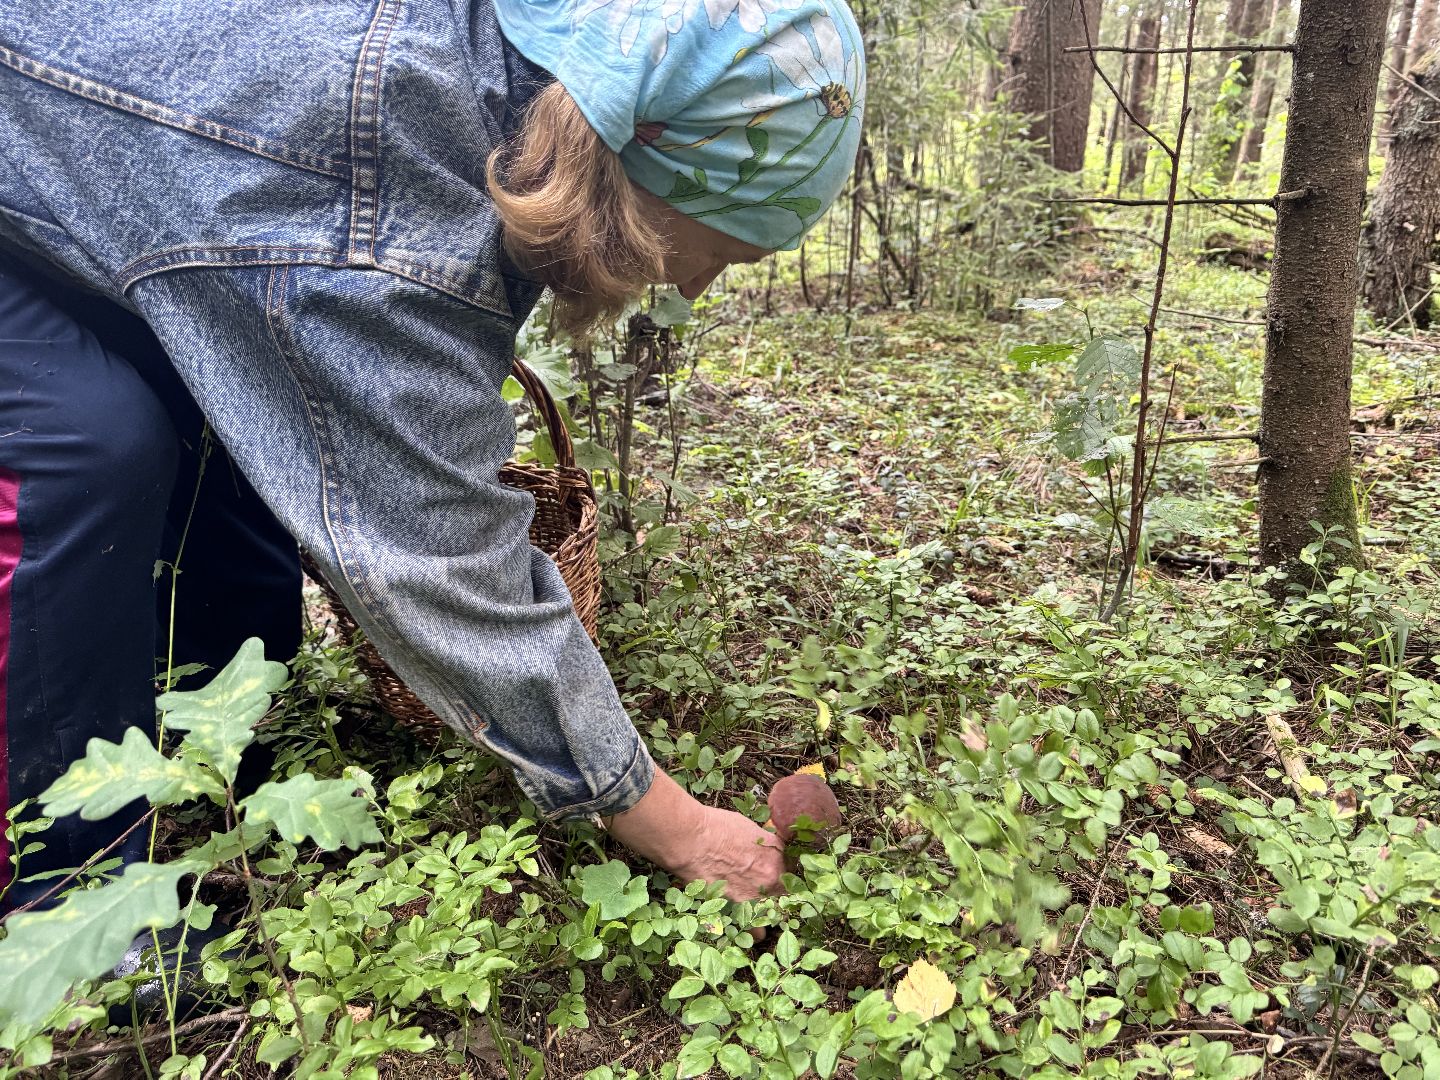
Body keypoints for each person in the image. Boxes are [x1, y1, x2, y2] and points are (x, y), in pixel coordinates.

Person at [0, 0, 865, 923]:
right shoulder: (390, 212)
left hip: (67, 196)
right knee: (83, 450)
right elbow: (444, 562)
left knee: (239, 438)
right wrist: (676, 824)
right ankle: (62, 899)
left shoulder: (499, 76)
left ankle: (225, 780)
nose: (692, 284)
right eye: (721, 248)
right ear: (643, 176)